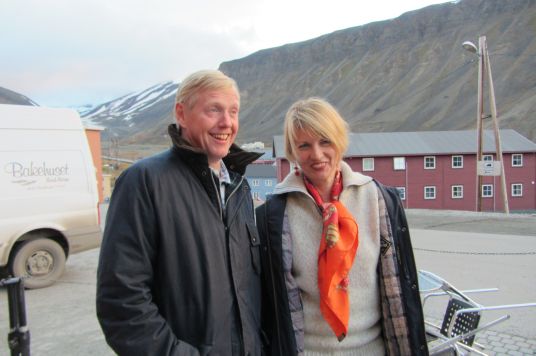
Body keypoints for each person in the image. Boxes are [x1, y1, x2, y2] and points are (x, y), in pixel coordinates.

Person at [96, 69, 264, 356]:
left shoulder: (240, 188)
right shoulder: (145, 182)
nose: (227, 122)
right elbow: (122, 302)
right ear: (182, 114)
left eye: (233, 111)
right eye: (214, 110)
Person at [256, 97, 428, 355]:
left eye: (325, 141)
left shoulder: (380, 200)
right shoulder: (273, 215)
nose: (317, 154)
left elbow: (399, 289)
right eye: (304, 145)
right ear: (292, 151)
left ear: (339, 140)